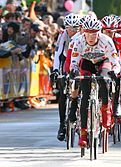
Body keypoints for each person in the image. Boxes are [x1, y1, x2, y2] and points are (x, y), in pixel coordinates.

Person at [69, 18, 120, 147]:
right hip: (87, 63)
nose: (90, 37)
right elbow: (74, 63)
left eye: (94, 33)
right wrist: (73, 71)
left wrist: (114, 71)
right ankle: (84, 134)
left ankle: (105, 109)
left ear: (99, 33)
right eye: (88, 33)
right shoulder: (79, 41)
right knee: (85, 95)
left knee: (103, 80)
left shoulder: (107, 41)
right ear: (83, 33)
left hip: (103, 62)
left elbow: (115, 62)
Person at [50, 13, 81, 141]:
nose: (72, 31)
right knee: (63, 92)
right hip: (66, 60)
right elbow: (57, 54)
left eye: (75, 28)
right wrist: (56, 70)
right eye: (69, 28)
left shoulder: (82, 36)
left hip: (79, 61)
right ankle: (62, 124)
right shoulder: (63, 35)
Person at [101, 15, 121, 116]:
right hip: (103, 61)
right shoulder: (99, 38)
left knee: (117, 76)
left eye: (111, 32)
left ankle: (116, 103)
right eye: (106, 31)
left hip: (116, 61)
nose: (109, 34)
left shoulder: (120, 39)